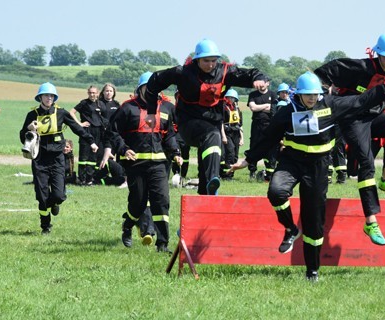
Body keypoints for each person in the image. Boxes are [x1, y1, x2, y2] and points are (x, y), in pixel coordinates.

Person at [230, 70, 385, 281]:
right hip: (291, 161)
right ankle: (291, 229)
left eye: (314, 94)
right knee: (276, 191)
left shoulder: (330, 104)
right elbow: (268, 138)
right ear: (298, 94)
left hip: (318, 166)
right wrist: (247, 160)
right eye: (307, 94)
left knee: (314, 223)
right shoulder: (286, 112)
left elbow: (360, 101)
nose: (311, 98)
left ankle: (312, 271)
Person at [314, 31, 385, 247]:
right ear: (377, 54)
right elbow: (323, 72)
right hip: (352, 119)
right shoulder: (359, 67)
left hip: (374, 118)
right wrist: (324, 93)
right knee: (366, 163)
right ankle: (371, 222)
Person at [145, 38, 267, 195]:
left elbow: (250, 73)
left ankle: (207, 191)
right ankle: (212, 179)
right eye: (206, 61)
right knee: (213, 135)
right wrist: (150, 112)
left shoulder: (225, 72)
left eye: (214, 61)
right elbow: (154, 82)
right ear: (197, 59)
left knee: (210, 154)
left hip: (213, 123)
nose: (210, 65)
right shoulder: (183, 73)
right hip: (188, 124)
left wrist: (259, 78)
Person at [104, 72, 182, 252]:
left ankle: (162, 244)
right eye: (149, 87)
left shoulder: (167, 108)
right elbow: (112, 132)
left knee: (161, 200)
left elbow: (169, 134)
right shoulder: (127, 108)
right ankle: (128, 225)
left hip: (159, 164)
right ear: (141, 88)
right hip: (135, 164)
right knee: (138, 203)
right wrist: (123, 149)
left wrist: (175, 151)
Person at [19, 82, 97, 234]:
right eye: (46, 95)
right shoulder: (32, 114)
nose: (49, 98)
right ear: (40, 97)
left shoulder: (61, 113)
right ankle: (45, 226)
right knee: (42, 196)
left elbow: (77, 128)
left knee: (59, 195)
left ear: (54, 98)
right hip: (39, 158)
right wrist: (29, 129)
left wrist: (91, 141)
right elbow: (22, 136)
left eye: (51, 96)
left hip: (57, 158)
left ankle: (55, 203)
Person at [70, 86, 106, 185]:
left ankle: (90, 179)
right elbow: (71, 112)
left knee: (93, 157)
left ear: (98, 93)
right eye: (90, 93)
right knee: (84, 156)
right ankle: (82, 179)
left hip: (98, 132)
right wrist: (79, 124)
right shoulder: (84, 103)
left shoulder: (101, 104)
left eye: (94, 93)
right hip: (86, 131)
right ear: (88, 93)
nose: (92, 95)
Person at [247, 80, 277, 181]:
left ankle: (269, 173)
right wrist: (266, 106)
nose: (261, 85)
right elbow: (253, 108)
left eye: (263, 83)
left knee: (269, 148)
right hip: (256, 125)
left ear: (268, 83)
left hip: (269, 125)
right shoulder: (253, 94)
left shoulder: (273, 94)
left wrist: (259, 107)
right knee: (254, 146)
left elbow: (273, 109)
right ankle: (252, 172)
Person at [220, 89, 243, 180]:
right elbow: (220, 122)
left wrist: (242, 138)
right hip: (227, 132)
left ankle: (230, 173)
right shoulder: (223, 108)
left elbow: (240, 124)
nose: (231, 99)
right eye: (229, 97)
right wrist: (223, 136)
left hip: (236, 133)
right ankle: (226, 175)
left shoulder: (237, 109)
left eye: (233, 98)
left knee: (235, 156)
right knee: (230, 152)